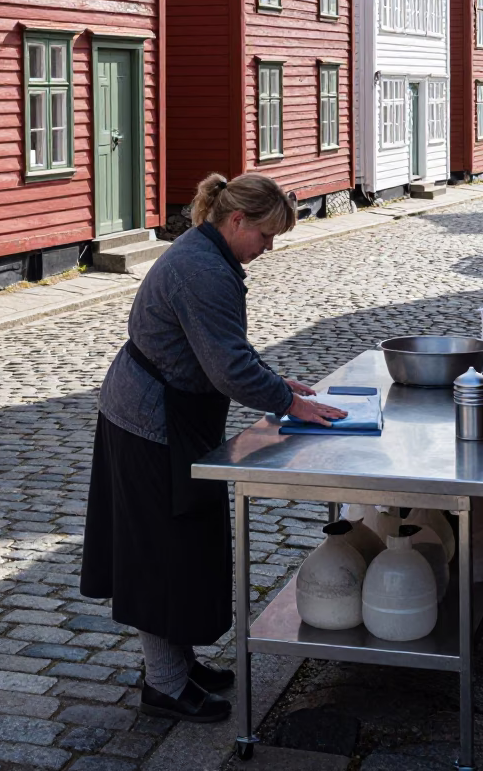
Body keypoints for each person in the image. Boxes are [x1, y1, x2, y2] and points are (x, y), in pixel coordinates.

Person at [80, 172, 347, 723]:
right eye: (266, 236)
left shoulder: (206, 253)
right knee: (161, 553)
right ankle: (165, 684)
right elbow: (227, 367)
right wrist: (288, 404)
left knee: (182, 545)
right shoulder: (203, 270)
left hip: (168, 415)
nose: (268, 249)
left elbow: (223, 350)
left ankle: (178, 664)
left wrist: (277, 384)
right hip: (149, 421)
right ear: (236, 220)